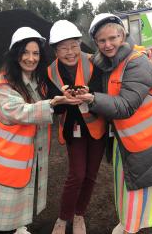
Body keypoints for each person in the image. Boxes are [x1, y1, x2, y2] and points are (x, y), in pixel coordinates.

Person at [76, 13, 152, 234]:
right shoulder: (112, 62)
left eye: (113, 38)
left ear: (123, 35)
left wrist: (93, 99)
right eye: (102, 41)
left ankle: (130, 227)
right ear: (96, 42)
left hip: (150, 139)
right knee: (128, 185)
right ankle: (128, 223)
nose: (107, 45)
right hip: (129, 139)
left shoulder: (137, 63)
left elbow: (125, 105)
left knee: (141, 189)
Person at [0, 27, 81, 234]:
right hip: (5, 157)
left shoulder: (35, 79)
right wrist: (52, 104)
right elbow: (18, 111)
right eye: (25, 52)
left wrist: (63, 96)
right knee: (6, 200)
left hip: (22, 155)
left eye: (35, 53)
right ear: (15, 54)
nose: (31, 58)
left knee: (21, 194)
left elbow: (49, 96)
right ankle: (8, 229)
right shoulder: (4, 84)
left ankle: (18, 226)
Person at [46, 20, 106, 234]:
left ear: (80, 44)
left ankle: (79, 215)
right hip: (73, 128)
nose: (70, 52)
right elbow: (50, 102)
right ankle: (63, 218)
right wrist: (63, 101)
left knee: (90, 175)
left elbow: (103, 91)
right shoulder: (51, 72)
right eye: (63, 48)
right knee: (77, 175)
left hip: (97, 126)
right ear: (55, 50)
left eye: (73, 46)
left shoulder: (94, 62)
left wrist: (89, 96)